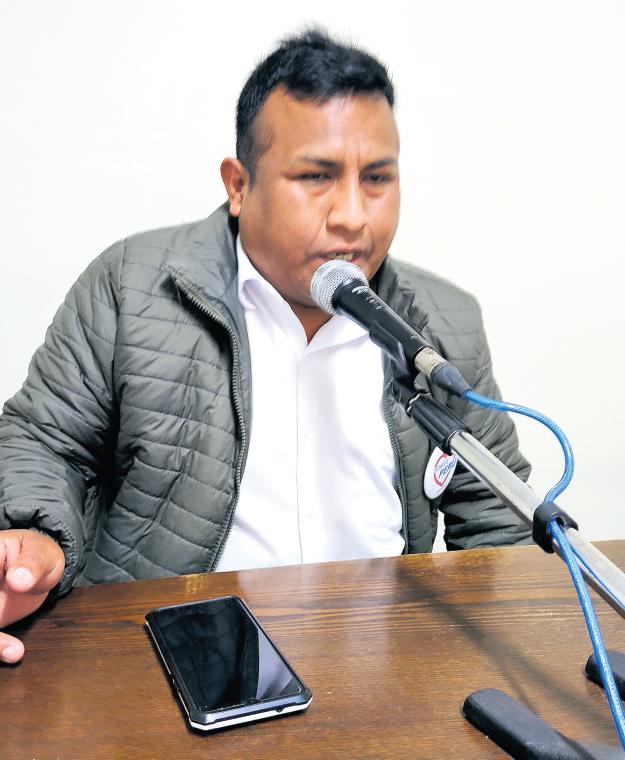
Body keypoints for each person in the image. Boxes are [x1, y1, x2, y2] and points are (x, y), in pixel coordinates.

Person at [0, 29, 531, 664]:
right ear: (238, 185)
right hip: (161, 658)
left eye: (377, 179)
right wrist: (36, 535)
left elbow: (499, 521)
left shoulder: (442, 324)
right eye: (316, 176)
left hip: (381, 668)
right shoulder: (129, 285)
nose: (353, 215)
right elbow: (44, 440)